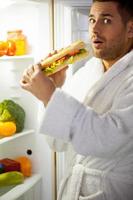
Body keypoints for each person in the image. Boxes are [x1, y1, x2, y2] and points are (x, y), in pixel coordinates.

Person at [20, 0, 133, 199]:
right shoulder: (87, 71)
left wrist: (50, 95)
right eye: (91, 20)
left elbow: (107, 139)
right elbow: (58, 142)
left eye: (106, 20)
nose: (95, 29)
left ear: (130, 29)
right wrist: (54, 89)